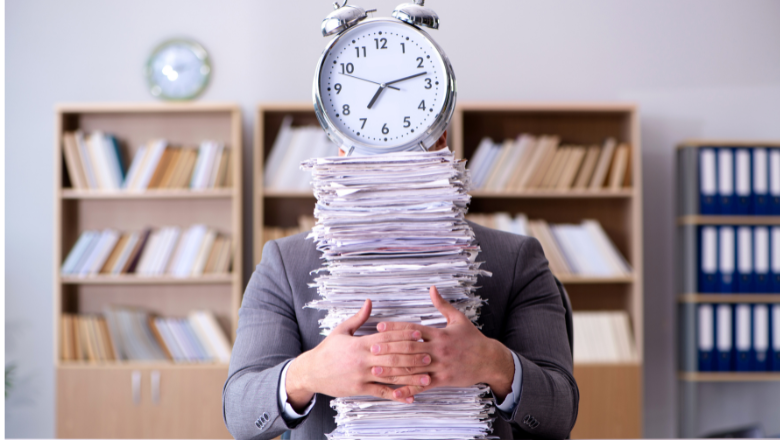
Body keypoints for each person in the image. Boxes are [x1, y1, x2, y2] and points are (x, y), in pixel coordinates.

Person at [222, 131, 579, 439]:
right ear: (342, 150)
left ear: (439, 141)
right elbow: (240, 413)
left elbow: (560, 412)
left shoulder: (516, 258)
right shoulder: (285, 262)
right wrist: (307, 374)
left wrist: (494, 364)